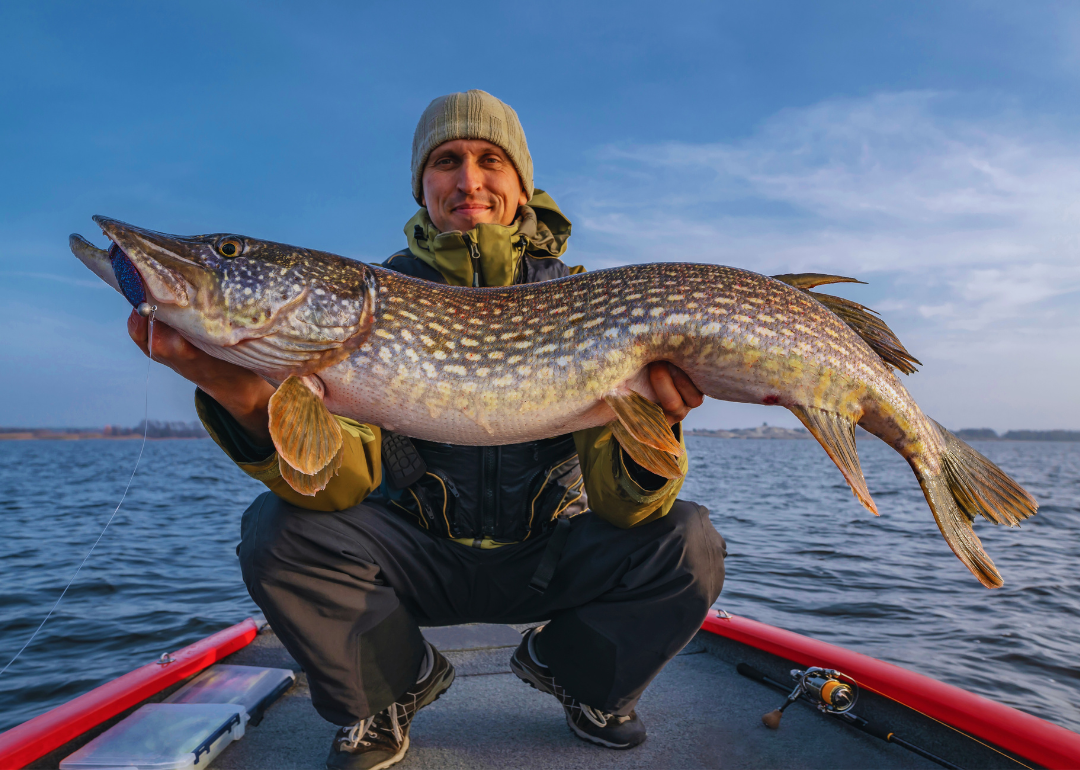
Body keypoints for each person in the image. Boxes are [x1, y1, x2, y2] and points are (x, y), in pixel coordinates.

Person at [129, 90, 728, 770]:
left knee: (688, 543)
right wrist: (238, 392)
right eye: (447, 161)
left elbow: (627, 508)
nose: (468, 179)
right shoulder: (370, 303)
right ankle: (395, 684)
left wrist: (659, 425)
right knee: (279, 530)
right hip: (419, 559)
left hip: (548, 557)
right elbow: (333, 489)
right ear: (422, 185)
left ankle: (576, 674)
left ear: (521, 183)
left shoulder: (595, 304)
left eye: (489, 160)